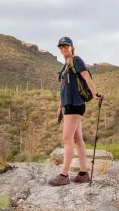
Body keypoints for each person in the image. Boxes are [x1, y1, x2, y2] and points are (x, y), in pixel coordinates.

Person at [49, 37, 101, 186]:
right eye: (61, 47)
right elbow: (63, 89)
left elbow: (86, 76)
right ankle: (83, 173)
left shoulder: (76, 60)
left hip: (74, 105)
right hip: (68, 105)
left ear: (72, 47)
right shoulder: (64, 66)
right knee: (77, 139)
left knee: (67, 140)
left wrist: (94, 94)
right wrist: (60, 106)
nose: (64, 49)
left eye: (66, 46)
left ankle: (64, 175)